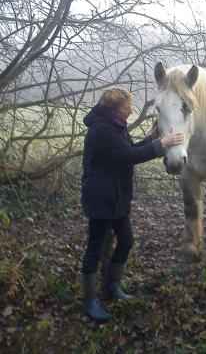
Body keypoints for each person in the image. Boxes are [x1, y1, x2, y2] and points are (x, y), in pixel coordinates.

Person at [80, 86, 183, 322]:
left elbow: (129, 150)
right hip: (101, 198)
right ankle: (89, 302)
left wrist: (152, 138)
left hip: (117, 198)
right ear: (115, 108)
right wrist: (163, 143)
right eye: (127, 107)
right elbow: (129, 157)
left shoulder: (115, 125)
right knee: (95, 250)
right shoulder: (102, 130)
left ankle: (112, 287)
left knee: (126, 241)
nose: (131, 110)